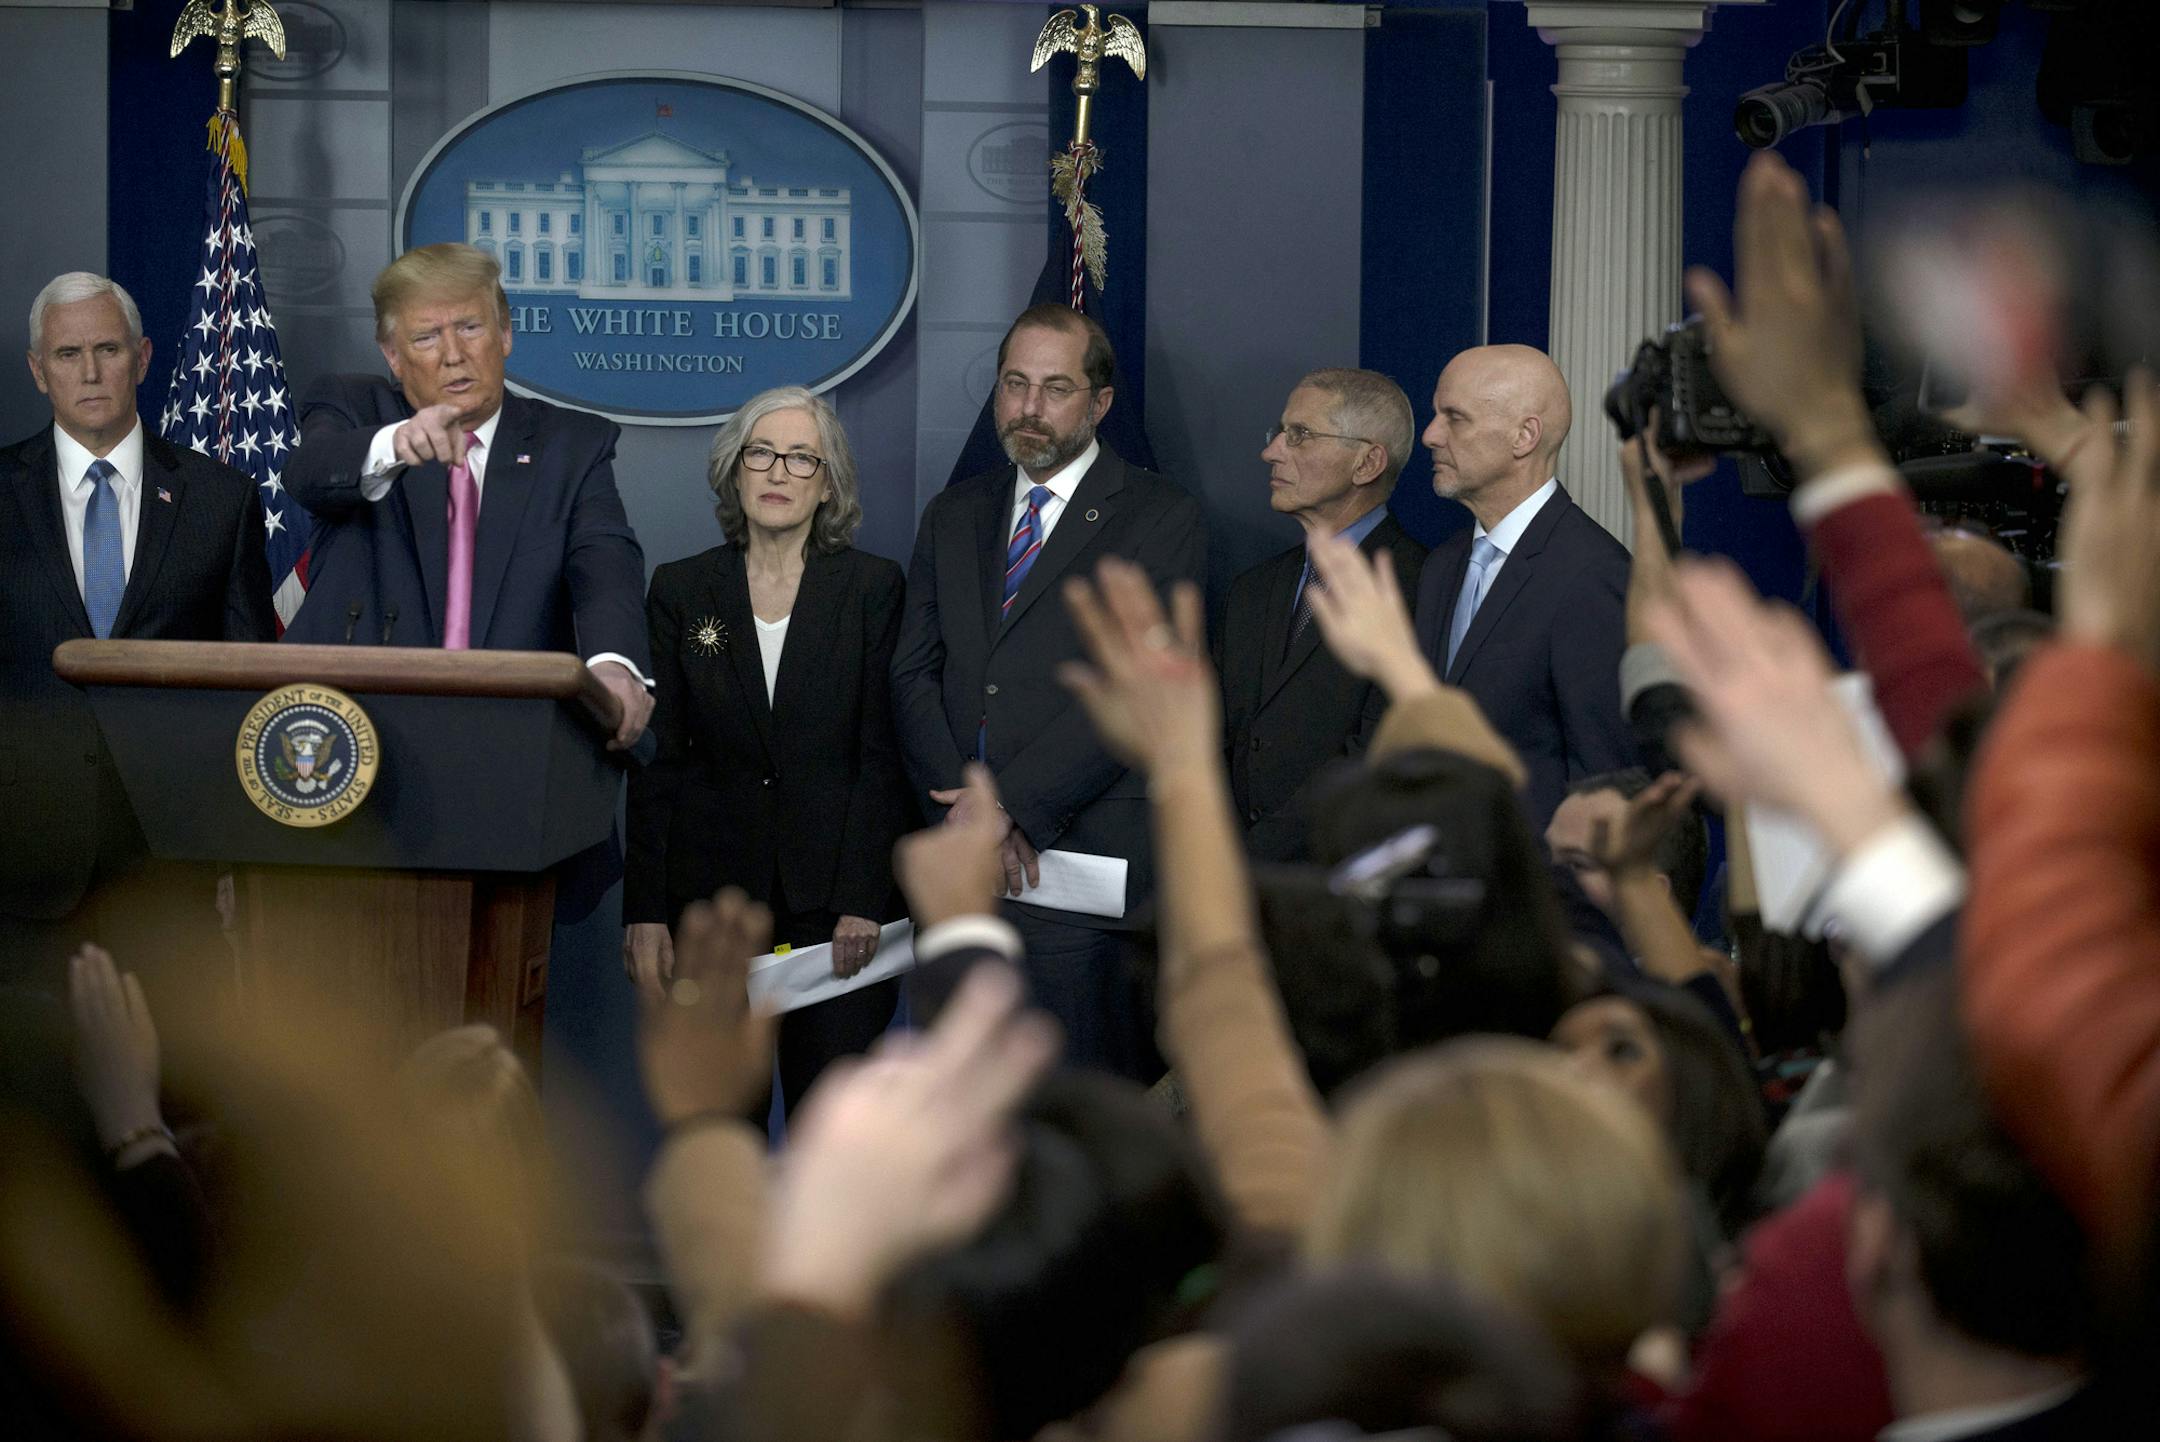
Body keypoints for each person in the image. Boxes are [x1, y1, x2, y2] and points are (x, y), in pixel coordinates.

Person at [892, 301, 1206, 1075]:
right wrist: (966, 810)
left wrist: (1010, 808)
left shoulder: (1162, 516)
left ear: (1099, 403)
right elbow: (912, 670)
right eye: (1014, 384)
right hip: (961, 874)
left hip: (1082, 877)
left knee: (1082, 1126)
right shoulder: (953, 512)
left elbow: (1135, 690)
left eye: (1054, 388)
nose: (1028, 409)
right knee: (964, 1128)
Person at [623, 386, 911, 1119]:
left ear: (829, 482)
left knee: (832, 1131)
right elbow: (662, 761)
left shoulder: (873, 588)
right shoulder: (683, 589)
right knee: (720, 1127)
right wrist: (646, 910)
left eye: (800, 458)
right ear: (735, 469)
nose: (778, 472)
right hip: (715, 913)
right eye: (761, 453)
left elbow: (881, 756)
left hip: (835, 918)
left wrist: (861, 901)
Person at [0, 271, 274, 990]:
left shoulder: (221, 500)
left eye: (107, 349)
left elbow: (248, 693)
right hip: (20, 874)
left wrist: (238, 859)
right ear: (37, 370)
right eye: (67, 355)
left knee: (180, 1098)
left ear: (144, 358)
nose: (89, 372)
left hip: (171, 874)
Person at [279, 243, 651, 751]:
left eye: (470, 328)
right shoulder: (352, 407)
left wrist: (613, 664)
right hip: (359, 739)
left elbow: (604, 560)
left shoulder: (570, 443)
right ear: (393, 355)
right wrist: (397, 442)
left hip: (516, 739)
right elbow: (309, 473)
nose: (453, 354)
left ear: (505, 333)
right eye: (427, 337)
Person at [1409, 344, 1633, 828]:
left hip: (1532, 894)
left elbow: (1605, 779)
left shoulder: (1592, 573)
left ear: (1524, 436)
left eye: (1455, 418)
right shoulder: (1442, 565)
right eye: (1435, 415)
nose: (1429, 435)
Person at [1217, 368, 1428, 860]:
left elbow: (1382, 753)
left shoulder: (1421, 585)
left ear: (1367, 462)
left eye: (1301, 436)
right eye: (1279, 433)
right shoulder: (1251, 590)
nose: (1271, 452)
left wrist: (1258, 859)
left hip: (1342, 892)